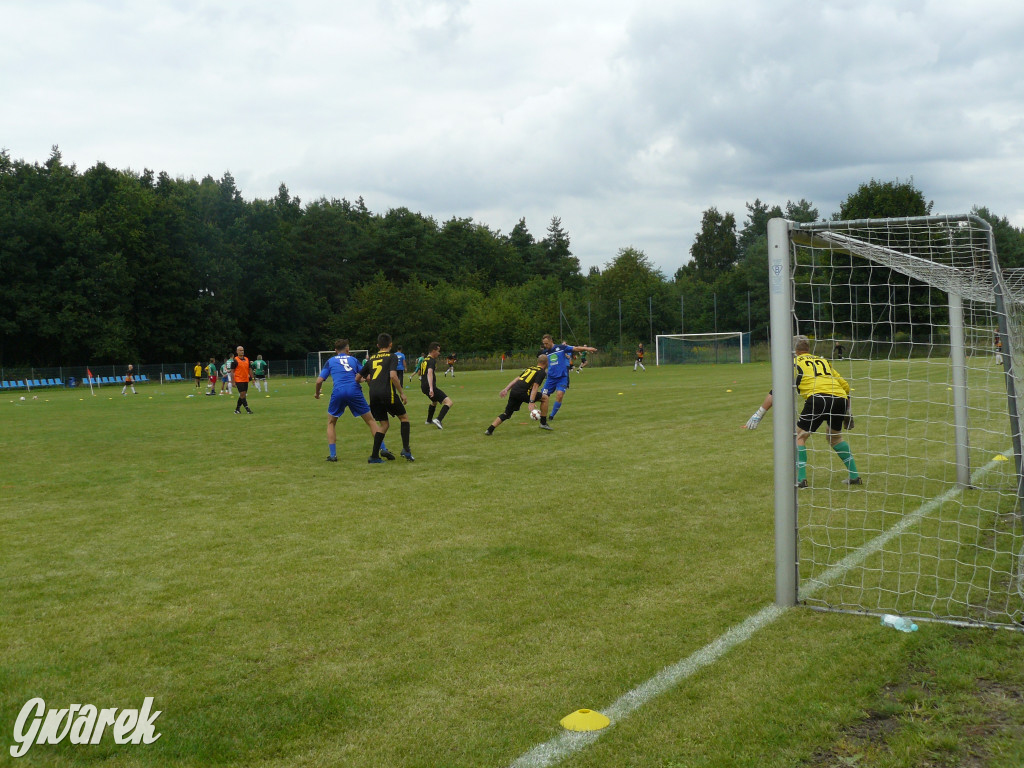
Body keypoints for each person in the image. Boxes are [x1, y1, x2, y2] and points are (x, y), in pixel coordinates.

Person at [744, 335, 860, 488]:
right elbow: (845, 386)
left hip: (818, 399)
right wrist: (848, 411)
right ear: (808, 348)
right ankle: (855, 476)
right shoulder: (823, 361)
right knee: (835, 438)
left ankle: (801, 480)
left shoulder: (793, 363)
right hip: (840, 399)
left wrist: (758, 414)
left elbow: (776, 392)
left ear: (793, 350)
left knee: (798, 436)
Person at [315, 339, 386, 462]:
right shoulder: (353, 360)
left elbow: (319, 381)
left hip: (338, 392)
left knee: (331, 422)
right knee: (370, 421)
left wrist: (317, 393)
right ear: (348, 349)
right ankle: (383, 449)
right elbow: (367, 377)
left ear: (335, 350)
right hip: (354, 391)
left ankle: (333, 455)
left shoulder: (330, 361)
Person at [360, 333, 414, 463]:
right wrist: (401, 392)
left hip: (373, 395)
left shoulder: (371, 359)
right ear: (390, 344)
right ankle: (406, 449)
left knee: (384, 424)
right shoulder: (392, 356)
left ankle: (374, 456)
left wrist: (369, 382)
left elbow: (359, 378)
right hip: (387, 393)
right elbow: (393, 376)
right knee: (404, 418)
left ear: (378, 345)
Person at [538, 334, 597, 427]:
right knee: (543, 397)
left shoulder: (561, 348)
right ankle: (540, 415)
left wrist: (587, 348)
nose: (545, 345)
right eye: (544, 344)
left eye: (546, 343)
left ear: (551, 341)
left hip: (562, 377)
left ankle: (551, 416)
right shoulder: (545, 353)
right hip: (550, 379)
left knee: (560, 395)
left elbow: (576, 348)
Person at [485, 355, 549, 435]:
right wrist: (531, 401)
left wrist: (506, 389)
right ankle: (543, 423)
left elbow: (517, 379)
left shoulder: (530, 368)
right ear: (546, 363)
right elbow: (535, 387)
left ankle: (489, 430)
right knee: (545, 398)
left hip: (514, 391)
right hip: (524, 392)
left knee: (507, 413)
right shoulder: (541, 372)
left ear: (538, 362)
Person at [418, 342, 453, 429]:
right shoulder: (432, 360)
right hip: (429, 386)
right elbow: (429, 373)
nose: (439, 353)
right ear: (433, 351)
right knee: (449, 402)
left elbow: (420, 373)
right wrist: (431, 388)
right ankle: (438, 419)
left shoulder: (424, 360)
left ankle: (428, 420)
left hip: (423, 386)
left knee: (434, 402)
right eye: (438, 351)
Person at [226, 345, 253, 414]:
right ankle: (247, 409)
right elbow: (232, 372)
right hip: (238, 379)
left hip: (245, 379)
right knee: (242, 394)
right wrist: (233, 382)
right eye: (240, 350)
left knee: (243, 395)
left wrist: (252, 378)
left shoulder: (247, 359)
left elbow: (249, 369)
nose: (242, 351)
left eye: (242, 350)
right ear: (237, 351)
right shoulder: (235, 360)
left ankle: (237, 409)